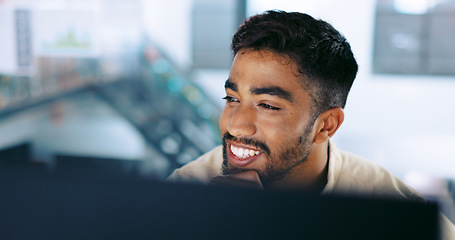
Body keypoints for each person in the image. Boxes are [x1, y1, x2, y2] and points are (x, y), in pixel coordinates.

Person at [167, 10, 454, 238]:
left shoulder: (397, 214)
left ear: (326, 126)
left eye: (267, 105)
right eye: (231, 98)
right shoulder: (185, 191)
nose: (236, 126)